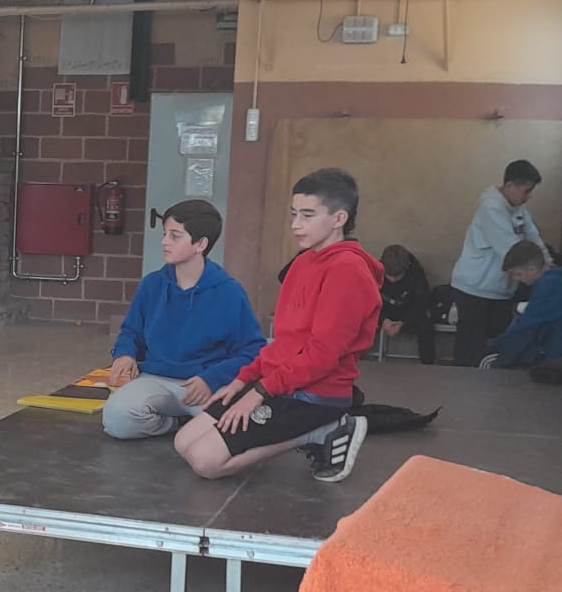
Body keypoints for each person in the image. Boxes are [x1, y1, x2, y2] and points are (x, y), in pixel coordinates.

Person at [175, 169, 381, 483]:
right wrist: (243, 380)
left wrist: (258, 393)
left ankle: (324, 430)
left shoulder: (348, 270)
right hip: (282, 382)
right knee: (184, 443)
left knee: (205, 461)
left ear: (339, 218)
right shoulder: (303, 262)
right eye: (294, 214)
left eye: (308, 215)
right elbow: (285, 342)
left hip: (316, 394)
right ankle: (301, 427)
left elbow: (323, 355)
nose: (296, 224)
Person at [103, 200, 266, 440]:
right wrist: (125, 354)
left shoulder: (229, 292)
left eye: (175, 236)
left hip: (206, 384)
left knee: (235, 428)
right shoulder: (152, 285)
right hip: (156, 380)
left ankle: (194, 425)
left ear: (201, 244)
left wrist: (212, 378)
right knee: (116, 419)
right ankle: (175, 423)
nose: (164, 241)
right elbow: (131, 332)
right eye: (165, 234)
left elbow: (253, 350)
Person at [449, 159, 545, 367]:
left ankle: (490, 386)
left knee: (495, 347)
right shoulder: (491, 207)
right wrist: (539, 273)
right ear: (510, 186)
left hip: (500, 290)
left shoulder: (518, 209)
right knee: (470, 350)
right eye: (527, 190)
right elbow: (513, 250)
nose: (529, 196)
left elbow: (534, 239)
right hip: (475, 288)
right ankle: (461, 386)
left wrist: (548, 265)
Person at [483, 243, 562, 370]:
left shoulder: (550, 286)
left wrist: (491, 345)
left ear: (532, 269)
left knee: (490, 360)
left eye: (518, 274)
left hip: (558, 355)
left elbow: (527, 325)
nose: (516, 279)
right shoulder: (557, 280)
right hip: (561, 347)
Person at [378, 245, 439, 365]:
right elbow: (367, 301)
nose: (392, 280)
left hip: (408, 310)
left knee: (426, 324)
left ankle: (428, 366)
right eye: (389, 275)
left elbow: (421, 303)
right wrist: (383, 320)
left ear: (406, 268)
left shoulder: (416, 273)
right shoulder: (374, 271)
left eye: (397, 276)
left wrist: (404, 322)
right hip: (383, 310)